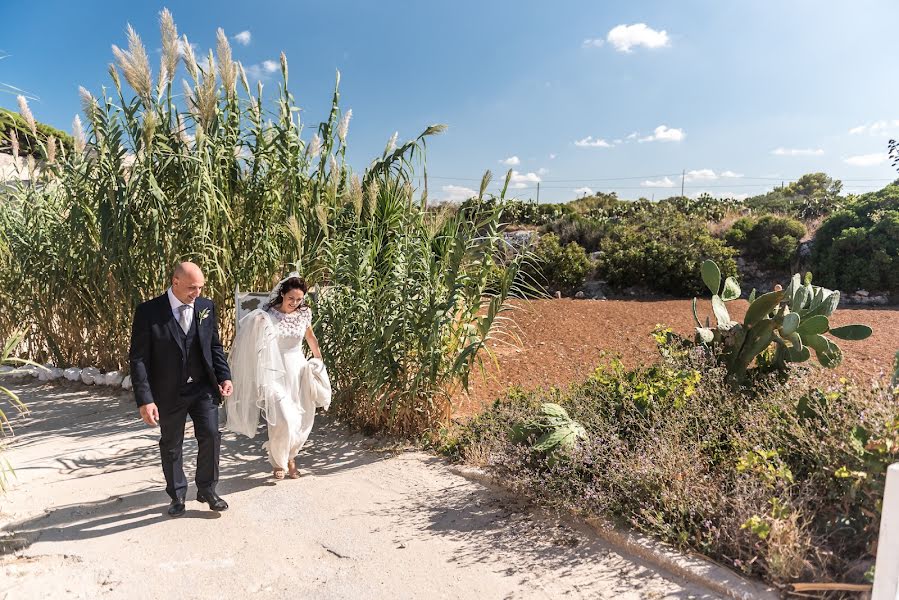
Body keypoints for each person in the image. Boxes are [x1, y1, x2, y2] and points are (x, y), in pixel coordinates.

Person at [129, 262, 233, 517]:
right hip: (168, 391)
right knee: (172, 443)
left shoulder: (206, 307)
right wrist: (145, 400)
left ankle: (207, 488)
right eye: (191, 288)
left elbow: (214, 346)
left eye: (200, 287)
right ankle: (176, 495)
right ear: (175, 282)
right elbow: (138, 359)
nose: (196, 293)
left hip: (202, 388)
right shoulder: (148, 311)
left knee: (211, 435)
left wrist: (224, 376)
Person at [226, 273, 330, 479]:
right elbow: (253, 343)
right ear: (282, 294)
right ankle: (278, 461)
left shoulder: (304, 314)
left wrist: (319, 361)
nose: (295, 303)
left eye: (299, 299)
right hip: (274, 373)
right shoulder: (267, 315)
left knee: (301, 418)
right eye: (291, 298)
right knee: (281, 418)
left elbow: (310, 337)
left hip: (299, 371)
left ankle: (290, 458)